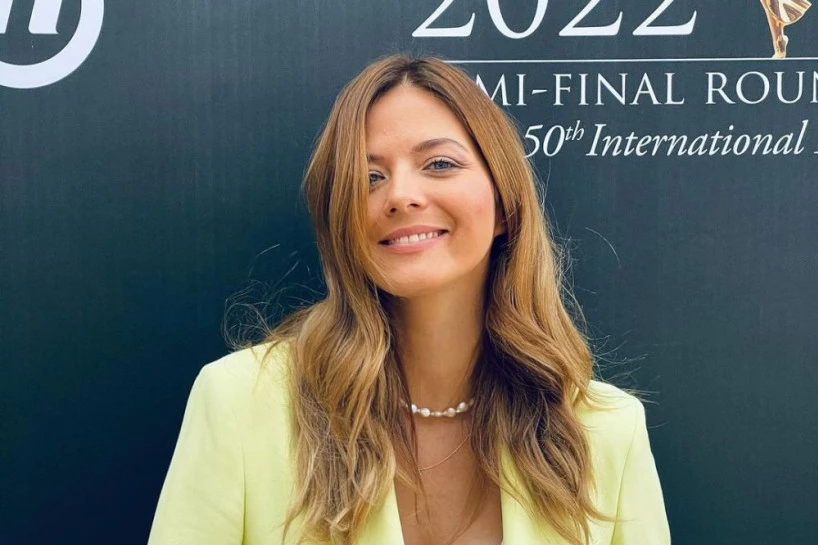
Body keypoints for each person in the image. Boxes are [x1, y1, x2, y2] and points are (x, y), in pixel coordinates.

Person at [147, 55, 670, 545]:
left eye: (439, 164)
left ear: (504, 204)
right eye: (369, 177)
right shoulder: (240, 401)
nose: (399, 195)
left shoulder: (606, 430)